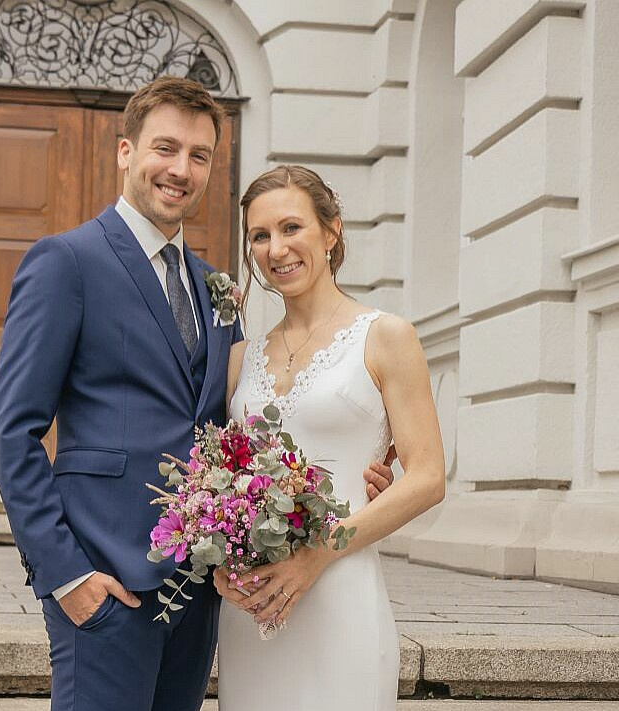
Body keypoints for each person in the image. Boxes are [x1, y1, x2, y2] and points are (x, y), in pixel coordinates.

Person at [0, 78, 396, 711]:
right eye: (165, 148)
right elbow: (13, 430)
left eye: (199, 155)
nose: (181, 170)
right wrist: (65, 575)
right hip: (105, 584)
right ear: (126, 151)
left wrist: (353, 468)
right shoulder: (65, 262)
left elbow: (232, 429)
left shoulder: (215, 287)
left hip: (200, 590)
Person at [214, 165, 446, 710]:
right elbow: (225, 482)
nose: (277, 249)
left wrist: (318, 553)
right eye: (260, 236)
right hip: (255, 607)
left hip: (340, 591)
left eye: (292, 228)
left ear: (331, 231)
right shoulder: (240, 358)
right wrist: (223, 562)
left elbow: (429, 477)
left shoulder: (386, 336)